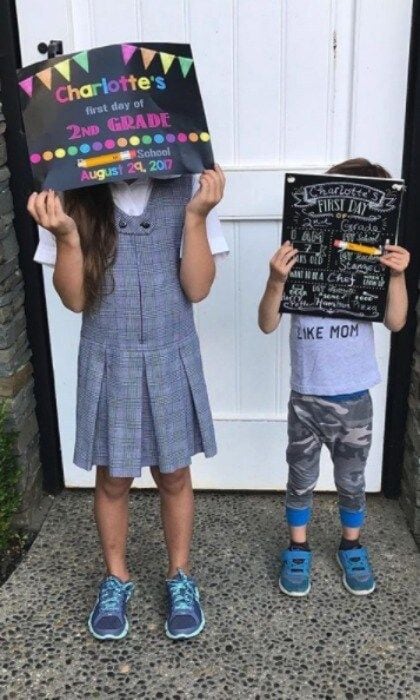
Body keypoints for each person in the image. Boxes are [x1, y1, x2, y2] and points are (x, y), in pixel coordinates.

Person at [28, 166, 228, 640]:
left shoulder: (188, 186)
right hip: (109, 355)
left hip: (170, 350)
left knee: (174, 471)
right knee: (113, 476)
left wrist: (198, 215)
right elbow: (74, 299)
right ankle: (116, 576)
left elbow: (198, 288)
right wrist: (67, 237)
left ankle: (180, 574)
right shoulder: (70, 193)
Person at [258, 158, 409, 597]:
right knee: (300, 478)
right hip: (306, 398)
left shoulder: (375, 267)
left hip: (354, 399)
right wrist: (274, 281)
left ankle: (351, 545)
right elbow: (267, 323)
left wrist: (397, 276)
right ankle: (298, 548)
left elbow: (396, 322)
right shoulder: (300, 262)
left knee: (352, 480)